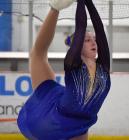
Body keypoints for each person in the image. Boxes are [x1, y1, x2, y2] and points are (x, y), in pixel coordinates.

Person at [17, 0, 111, 139]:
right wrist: (80, 2)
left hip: (80, 125)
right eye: (86, 40)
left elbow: (100, 28)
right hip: (52, 121)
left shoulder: (103, 67)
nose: (93, 42)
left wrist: (88, 2)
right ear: (77, 47)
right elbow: (80, 28)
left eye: (93, 39)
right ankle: (53, 9)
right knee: (37, 55)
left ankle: (55, 9)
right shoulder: (73, 64)